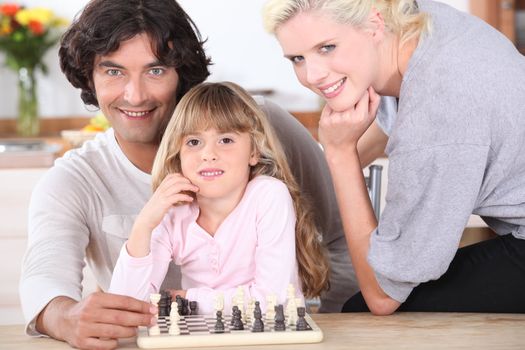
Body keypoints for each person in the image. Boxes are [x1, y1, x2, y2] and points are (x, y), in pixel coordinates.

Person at [19, 1, 359, 349]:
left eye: (155, 71)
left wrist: (339, 325)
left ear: (181, 72)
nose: (135, 96)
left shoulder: (259, 124)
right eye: (113, 71)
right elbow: (45, 279)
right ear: (89, 76)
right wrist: (64, 318)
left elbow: (342, 237)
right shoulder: (75, 178)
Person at [263, 0, 525, 314]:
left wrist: (340, 152)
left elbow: (383, 297)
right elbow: (396, 128)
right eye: (297, 58)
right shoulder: (413, 22)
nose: (313, 74)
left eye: (327, 47)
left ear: (374, 23)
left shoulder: (437, 113)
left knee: (360, 312)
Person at [109, 81, 329, 314]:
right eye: (194, 142)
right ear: (178, 154)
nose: (208, 154)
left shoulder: (268, 196)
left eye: (226, 140)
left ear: (253, 151)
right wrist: (143, 225)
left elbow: (274, 301)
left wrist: (188, 301)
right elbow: (125, 307)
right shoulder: (175, 210)